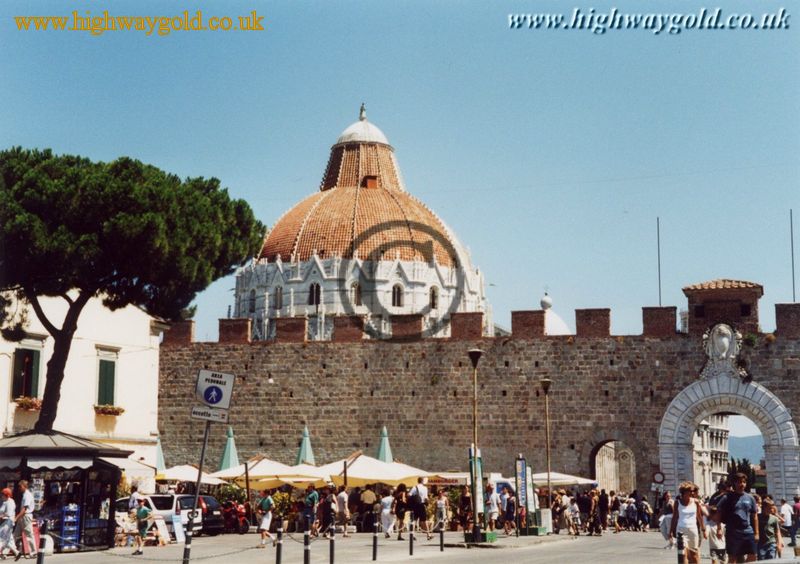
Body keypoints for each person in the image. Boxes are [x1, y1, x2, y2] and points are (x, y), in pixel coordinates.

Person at [716, 473, 758, 563]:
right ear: (734, 483)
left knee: (753, 555)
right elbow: (718, 511)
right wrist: (719, 528)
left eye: (743, 482)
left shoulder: (750, 498)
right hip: (733, 532)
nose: (742, 484)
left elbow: (755, 516)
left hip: (748, 531)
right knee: (732, 558)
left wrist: (756, 533)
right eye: (739, 482)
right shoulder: (727, 497)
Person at [670, 482, 706, 564]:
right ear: (684, 492)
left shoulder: (696, 502)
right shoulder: (677, 503)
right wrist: (670, 531)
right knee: (683, 554)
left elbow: (699, 517)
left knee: (694, 555)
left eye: (693, 491)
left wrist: (703, 530)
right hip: (681, 531)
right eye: (690, 491)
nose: (692, 493)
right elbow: (674, 518)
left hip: (693, 531)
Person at [13, 480, 36, 560]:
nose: (19, 488)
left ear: (25, 486)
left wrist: (16, 517)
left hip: (25, 516)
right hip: (22, 517)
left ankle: (33, 552)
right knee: (15, 534)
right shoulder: (24, 495)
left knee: (29, 535)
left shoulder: (27, 495)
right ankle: (15, 551)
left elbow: (24, 509)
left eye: (20, 486)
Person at [0, 489, 19, 560]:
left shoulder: (10, 502)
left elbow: (9, 513)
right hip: (4, 522)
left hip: (8, 522)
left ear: (6, 495)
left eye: (2, 494)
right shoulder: (5, 502)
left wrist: (1, 516)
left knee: (1, 538)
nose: (1, 496)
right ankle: (17, 552)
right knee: (9, 539)